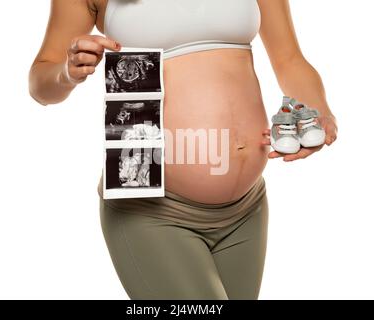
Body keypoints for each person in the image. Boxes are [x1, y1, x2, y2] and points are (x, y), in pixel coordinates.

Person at [29, 0, 338, 299]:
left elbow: (289, 59)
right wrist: (66, 73)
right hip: (150, 208)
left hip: (247, 209)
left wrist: (318, 113)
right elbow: (41, 83)